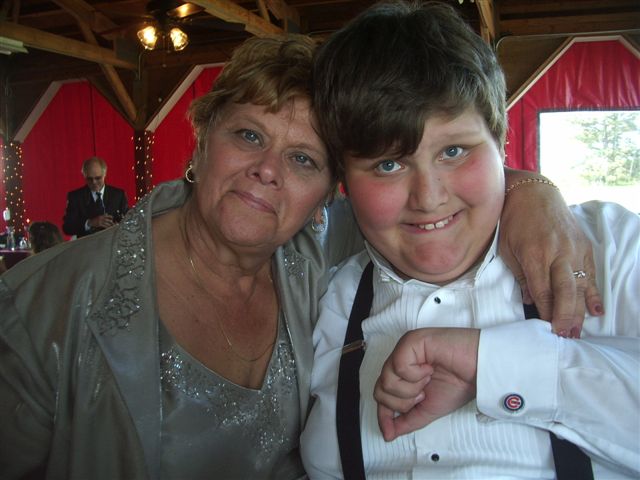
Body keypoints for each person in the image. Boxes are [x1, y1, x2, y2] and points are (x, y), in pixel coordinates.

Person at [0, 33, 600, 479]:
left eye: (303, 159)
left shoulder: (320, 262)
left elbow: (424, 191)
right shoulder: (43, 303)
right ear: (202, 138)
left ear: (328, 193)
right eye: (249, 135)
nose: (267, 170)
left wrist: (531, 192)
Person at [300, 2, 639, 479]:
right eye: (388, 164)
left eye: (454, 151)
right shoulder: (328, 300)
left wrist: (494, 365)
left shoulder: (610, 248)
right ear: (344, 182)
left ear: (501, 142)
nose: (429, 197)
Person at [62, 156, 129, 238]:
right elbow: (67, 227)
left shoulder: (118, 195)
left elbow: (128, 222)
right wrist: (90, 223)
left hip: (112, 242)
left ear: (105, 174)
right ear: (84, 175)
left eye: (98, 178)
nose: (94, 182)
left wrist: (118, 227)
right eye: (89, 179)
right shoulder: (76, 197)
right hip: (87, 244)